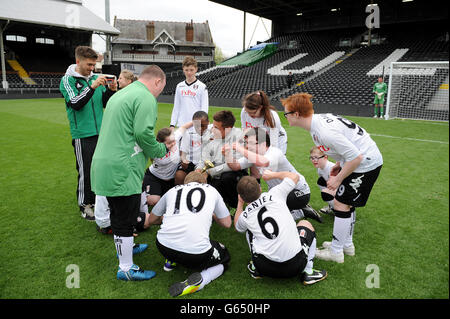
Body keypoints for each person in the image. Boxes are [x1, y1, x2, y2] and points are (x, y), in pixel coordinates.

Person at [91, 65, 175, 281]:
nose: (159, 93)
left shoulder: (122, 94)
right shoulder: (145, 97)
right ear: (157, 81)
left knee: (122, 214)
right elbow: (143, 133)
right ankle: (126, 268)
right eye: (161, 88)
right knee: (124, 217)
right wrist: (160, 150)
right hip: (122, 167)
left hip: (106, 163)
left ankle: (127, 247)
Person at [281, 93, 383, 263]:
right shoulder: (317, 124)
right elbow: (347, 146)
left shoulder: (324, 131)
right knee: (343, 203)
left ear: (296, 114)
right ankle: (346, 245)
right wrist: (339, 163)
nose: (285, 117)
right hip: (360, 161)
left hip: (366, 163)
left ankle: (336, 252)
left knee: (340, 204)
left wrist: (337, 178)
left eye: (286, 113)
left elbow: (356, 157)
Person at [146, 171, 231, 297]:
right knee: (224, 256)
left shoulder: (173, 190)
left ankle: (170, 261)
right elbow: (227, 223)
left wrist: (169, 218)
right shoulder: (211, 190)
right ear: (204, 183)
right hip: (196, 254)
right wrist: (212, 214)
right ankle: (201, 280)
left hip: (163, 246)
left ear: (185, 183)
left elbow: (151, 220)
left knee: (176, 232)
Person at [235, 171, 327, 285]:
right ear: (259, 187)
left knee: (249, 229)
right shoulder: (275, 193)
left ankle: (255, 268)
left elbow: (238, 227)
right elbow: (295, 176)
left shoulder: (245, 215)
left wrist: (240, 204)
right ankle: (308, 271)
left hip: (264, 267)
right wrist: (273, 175)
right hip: (295, 266)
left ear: (241, 196)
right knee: (305, 224)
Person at [59, 45, 117, 221]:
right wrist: (92, 87)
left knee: (101, 167)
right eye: (89, 65)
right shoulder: (67, 80)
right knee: (85, 170)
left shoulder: (97, 78)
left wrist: (111, 91)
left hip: (102, 132)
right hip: (82, 134)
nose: (92, 68)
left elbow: (105, 103)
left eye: (94, 65)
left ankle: (100, 200)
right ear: (78, 61)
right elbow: (75, 102)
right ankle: (85, 205)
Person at [226, 127, 322, 223]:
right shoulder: (253, 155)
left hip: (299, 192)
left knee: (275, 219)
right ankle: (296, 211)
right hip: (278, 193)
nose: (247, 146)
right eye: (246, 143)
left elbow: (263, 162)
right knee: (269, 214)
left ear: (263, 143)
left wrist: (240, 149)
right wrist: (227, 155)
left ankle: (301, 211)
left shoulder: (274, 152)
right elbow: (236, 166)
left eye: (250, 143)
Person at [196, 110, 247, 208]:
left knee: (227, 177)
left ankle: (236, 205)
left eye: (216, 128)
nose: (212, 130)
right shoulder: (210, 133)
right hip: (214, 173)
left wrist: (210, 172)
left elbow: (232, 165)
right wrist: (199, 170)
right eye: (213, 126)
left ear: (228, 129)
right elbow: (204, 157)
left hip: (232, 174)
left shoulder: (239, 137)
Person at [143, 121, 193, 208]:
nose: (173, 144)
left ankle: (161, 192)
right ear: (160, 143)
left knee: (173, 202)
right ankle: (144, 186)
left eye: (173, 141)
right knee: (153, 201)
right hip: (155, 177)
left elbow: (185, 126)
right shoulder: (154, 151)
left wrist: (198, 122)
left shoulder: (175, 138)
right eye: (169, 143)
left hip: (171, 180)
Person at [170, 56, 209, 131]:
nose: (189, 72)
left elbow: (204, 109)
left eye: (191, 70)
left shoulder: (202, 87)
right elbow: (176, 107)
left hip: (196, 127)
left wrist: (202, 124)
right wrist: (172, 125)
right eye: (186, 70)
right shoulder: (179, 86)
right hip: (181, 126)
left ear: (196, 69)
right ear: (183, 70)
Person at [175, 111, 213, 185]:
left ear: (208, 123)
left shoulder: (213, 131)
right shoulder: (188, 133)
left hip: (206, 164)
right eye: (197, 126)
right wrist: (184, 161)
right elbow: (183, 153)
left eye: (203, 126)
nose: (200, 129)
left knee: (204, 176)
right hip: (190, 164)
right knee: (179, 175)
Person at [309, 146, 336, 215]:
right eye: (312, 158)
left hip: (345, 192)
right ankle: (332, 206)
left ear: (325, 157)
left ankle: (340, 210)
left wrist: (328, 192)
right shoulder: (319, 169)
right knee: (321, 181)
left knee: (325, 193)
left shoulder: (332, 168)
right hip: (335, 187)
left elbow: (341, 185)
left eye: (316, 157)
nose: (314, 160)